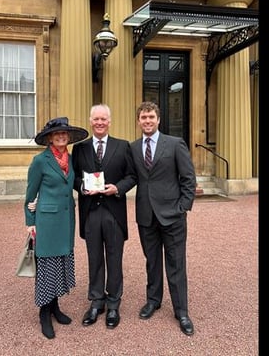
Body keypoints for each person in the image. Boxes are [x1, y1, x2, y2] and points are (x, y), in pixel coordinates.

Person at [130, 101, 197, 336]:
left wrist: (183, 207)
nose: (147, 121)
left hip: (173, 216)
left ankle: (182, 311)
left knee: (176, 263)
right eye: (143, 117)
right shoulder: (133, 147)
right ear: (138, 121)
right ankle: (153, 300)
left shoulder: (175, 144)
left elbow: (188, 178)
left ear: (158, 120)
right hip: (146, 216)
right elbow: (131, 177)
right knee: (152, 262)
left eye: (151, 117)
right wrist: (113, 188)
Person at [71, 104, 136, 329]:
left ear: (110, 121)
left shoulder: (123, 146)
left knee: (114, 258)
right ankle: (96, 302)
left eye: (103, 119)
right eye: (96, 119)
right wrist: (82, 188)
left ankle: (114, 304)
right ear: (90, 121)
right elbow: (74, 177)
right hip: (90, 210)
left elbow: (132, 176)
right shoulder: (80, 149)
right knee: (95, 257)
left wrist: (117, 188)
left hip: (114, 211)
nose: (100, 123)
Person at [23, 117, 89, 339]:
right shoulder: (40, 161)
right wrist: (30, 222)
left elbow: (74, 183)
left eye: (65, 134)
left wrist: (89, 187)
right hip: (47, 222)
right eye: (57, 134)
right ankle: (44, 312)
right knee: (47, 266)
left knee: (60, 263)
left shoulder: (70, 160)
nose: (61, 136)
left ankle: (55, 307)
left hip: (66, 219)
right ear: (50, 138)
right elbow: (30, 194)